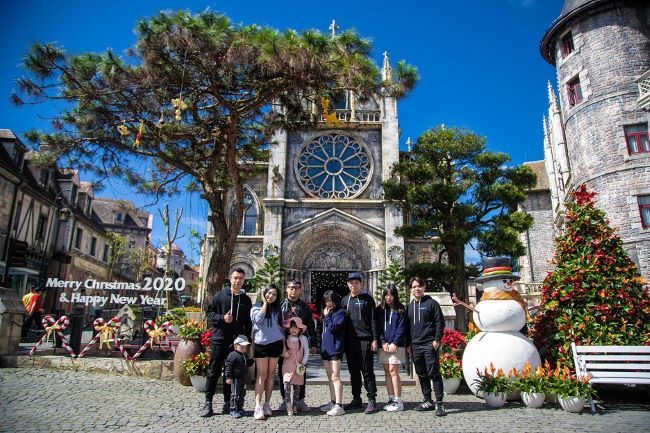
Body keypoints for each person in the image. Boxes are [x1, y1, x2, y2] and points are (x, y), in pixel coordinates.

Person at [201, 268, 253, 418]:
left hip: (236, 344)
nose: (237, 281)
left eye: (240, 278)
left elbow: (248, 323)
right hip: (220, 340)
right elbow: (209, 314)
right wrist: (222, 318)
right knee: (214, 371)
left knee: (231, 373)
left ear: (243, 280)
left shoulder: (246, 300)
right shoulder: (220, 296)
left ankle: (227, 402)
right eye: (235, 278)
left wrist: (247, 342)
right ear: (230, 279)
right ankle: (208, 402)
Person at [407, 276, 446, 416]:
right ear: (410, 290)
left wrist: (437, 340)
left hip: (429, 344)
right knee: (422, 374)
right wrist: (408, 344)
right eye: (414, 287)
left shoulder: (432, 303)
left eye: (419, 286)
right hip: (416, 346)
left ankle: (439, 403)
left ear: (424, 287)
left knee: (434, 374)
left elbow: (440, 322)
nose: (417, 289)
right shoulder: (410, 306)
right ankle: (427, 400)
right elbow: (408, 327)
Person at [278, 279, 317, 412]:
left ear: (301, 290)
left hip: (299, 344)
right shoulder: (280, 305)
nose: (293, 290)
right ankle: (285, 400)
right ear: (286, 289)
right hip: (284, 343)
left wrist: (313, 342)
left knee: (301, 370)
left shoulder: (305, 307)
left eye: (296, 288)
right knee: (283, 372)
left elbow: (310, 325)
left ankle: (300, 400)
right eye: (291, 287)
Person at [341, 272, 378, 413]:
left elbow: (373, 319)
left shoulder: (367, 299)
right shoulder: (345, 300)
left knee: (367, 371)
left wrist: (375, 339)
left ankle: (372, 399)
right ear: (347, 284)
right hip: (350, 342)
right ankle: (356, 399)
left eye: (356, 283)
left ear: (361, 284)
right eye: (351, 283)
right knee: (354, 372)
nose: (353, 285)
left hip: (365, 339)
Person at [250, 284, 284, 420]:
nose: (271, 296)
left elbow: (280, 328)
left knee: (271, 375)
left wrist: (284, 346)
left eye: (274, 294)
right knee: (261, 375)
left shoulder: (277, 309)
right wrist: (264, 304)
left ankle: (267, 404)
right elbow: (258, 319)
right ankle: (257, 406)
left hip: (275, 344)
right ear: (264, 293)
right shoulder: (256, 307)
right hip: (261, 344)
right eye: (269, 293)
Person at [377, 285, 407, 412]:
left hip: (396, 345)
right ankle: (391, 397)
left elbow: (401, 327)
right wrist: (383, 342)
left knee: (393, 370)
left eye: (391, 295)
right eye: (386, 295)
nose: (388, 298)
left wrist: (395, 343)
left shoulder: (400, 309)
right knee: (387, 371)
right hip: (383, 345)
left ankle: (398, 400)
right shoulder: (379, 310)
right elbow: (377, 327)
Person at [319, 290, 346, 416]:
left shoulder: (340, 313)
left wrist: (327, 317)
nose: (328, 303)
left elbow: (334, 328)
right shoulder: (327, 313)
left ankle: (339, 405)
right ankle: (333, 401)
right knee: (330, 377)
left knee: (335, 376)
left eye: (330, 300)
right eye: (326, 301)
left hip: (335, 349)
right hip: (326, 349)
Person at [281, 317, 310, 416]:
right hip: (287, 366)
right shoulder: (285, 339)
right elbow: (282, 350)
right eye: (291, 327)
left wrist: (303, 363)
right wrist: (284, 354)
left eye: (296, 327)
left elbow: (306, 352)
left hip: (299, 366)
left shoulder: (303, 339)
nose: (293, 329)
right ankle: (288, 404)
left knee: (297, 387)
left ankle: (295, 404)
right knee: (286, 384)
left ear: (300, 329)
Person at [224, 335, 254, 418]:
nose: (244, 349)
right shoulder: (232, 355)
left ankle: (240, 408)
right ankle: (233, 409)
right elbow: (228, 367)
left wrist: (252, 360)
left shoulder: (244, 356)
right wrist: (228, 377)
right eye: (242, 347)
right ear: (235, 346)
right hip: (235, 378)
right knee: (235, 394)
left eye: (245, 347)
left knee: (242, 394)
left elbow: (248, 364)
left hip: (243, 378)